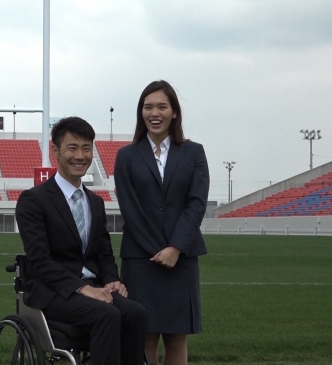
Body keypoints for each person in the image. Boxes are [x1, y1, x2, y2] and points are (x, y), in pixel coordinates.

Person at [16, 116, 147, 365]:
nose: (80, 155)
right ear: (55, 151)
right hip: (53, 291)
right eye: (72, 148)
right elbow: (39, 261)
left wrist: (112, 281)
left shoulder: (95, 202)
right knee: (106, 314)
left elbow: (104, 253)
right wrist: (81, 288)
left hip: (92, 286)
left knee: (136, 312)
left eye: (86, 148)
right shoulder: (34, 200)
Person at [114, 80, 210, 365]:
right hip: (140, 259)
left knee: (176, 338)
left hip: (181, 259)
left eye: (161, 106)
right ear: (141, 112)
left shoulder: (194, 153)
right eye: (148, 107)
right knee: (143, 338)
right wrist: (159, 250)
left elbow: (196, 204)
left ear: (174, 112)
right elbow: (129, 210)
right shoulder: (126, 156)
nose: (154, 113)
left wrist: (176, 248)